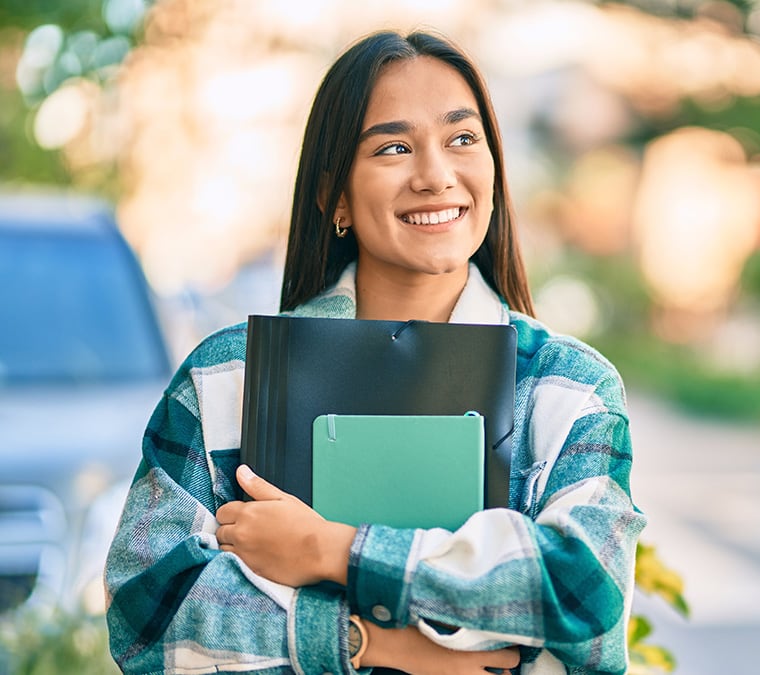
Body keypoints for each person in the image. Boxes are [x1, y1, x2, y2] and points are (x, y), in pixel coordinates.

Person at [105, 29, 645, 675]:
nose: (436, 175)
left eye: (462, 139)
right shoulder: (229, 377)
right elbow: (148, 613)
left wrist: (333, 550)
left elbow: (585, 594)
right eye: (394, 147)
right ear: (333, 194)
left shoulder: (568, 386)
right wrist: (369, 643)